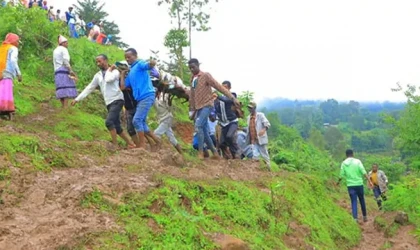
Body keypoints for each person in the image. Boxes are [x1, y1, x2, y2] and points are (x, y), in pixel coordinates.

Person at [71, 55, 135, 149]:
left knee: (109, 122)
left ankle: (115, 145)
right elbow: (90, 87)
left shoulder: (115, 71)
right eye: (97, 62)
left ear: (105, 60)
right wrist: (77, 99)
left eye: (100, 61)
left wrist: (110, 69)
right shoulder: (98, 75)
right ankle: (131, 144)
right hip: (108, 102)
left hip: (117, 99)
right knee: (117, 126)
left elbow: (108, 80)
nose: (98, 64)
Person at [188, 58, 239, 159]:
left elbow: (218, 86)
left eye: (193, 67)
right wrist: (192, 110)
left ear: (198, 65)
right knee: (204, 130)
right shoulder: (192, 79)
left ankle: (201, 152)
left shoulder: (205, 75)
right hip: (198, 108)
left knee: (198, 125)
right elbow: (192, 96)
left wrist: (232, 97)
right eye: (190, 68)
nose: (192, 69)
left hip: (207, 105)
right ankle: (215, 153)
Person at [120, 48, 160, 150]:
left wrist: (151, 64)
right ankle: (158, 141)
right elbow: (123, 87)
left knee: (136, 120)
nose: (127, 59)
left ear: (135, 56)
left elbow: (147, 66)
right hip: (140, 99)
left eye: (129, 57)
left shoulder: (139, 64)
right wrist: (122, 75)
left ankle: (142, 146)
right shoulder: (131, 71)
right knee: (141, 122)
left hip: (147, 95)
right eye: (126, 58)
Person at [337, 149, 374, 222]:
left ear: (346, 155)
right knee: (362, 199)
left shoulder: (344, 163)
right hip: (359, 184)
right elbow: (363, 172)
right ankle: (365, 217)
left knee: (354, 201)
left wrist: (338, 182)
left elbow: (341, 175)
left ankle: (355, 218)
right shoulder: (358, 161)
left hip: (350, 185)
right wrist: (369, 181)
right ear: (353, 154)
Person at [214, 81, 240, 159]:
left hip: (232, 122)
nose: (223, 88)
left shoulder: (232, 95)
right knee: (221, 142)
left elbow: (227, 100)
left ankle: (237, 152)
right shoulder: (219, 98)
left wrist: (217, 96)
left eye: (225, 87)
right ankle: (229, 156)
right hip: (223, 123)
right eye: (222, 87)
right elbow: (217, 109)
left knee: (229, 136)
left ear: (229, 88)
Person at [0, 33, 22, 121]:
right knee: (7, 92)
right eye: (17, 41)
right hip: (8, 72)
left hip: (1, 73)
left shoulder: (2, 48)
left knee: (1, 90)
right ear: (13, 41)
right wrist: (18, 73)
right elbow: (13, 60)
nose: (18, 43)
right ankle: (6, 109)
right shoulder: (13, 48)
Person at [53, 35, 78, 108]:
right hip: (63, 70)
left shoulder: (55, 50)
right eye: (66, 43)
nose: (67, 44)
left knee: (60, 88)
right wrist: (70, 70)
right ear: (63, 43)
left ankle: (63, 106)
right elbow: (65, 61)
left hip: (57, 71)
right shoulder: (64, 49)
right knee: (66, 88)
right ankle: (65, 107)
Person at [246, 102, 271, 169]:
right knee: (255, 155)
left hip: (260, 139)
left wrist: (264, 129)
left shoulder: (260, 115)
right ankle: (256, 170)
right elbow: (248, 128)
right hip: (253, 140)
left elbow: (267, 124)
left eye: (251, 108)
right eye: (249, 108)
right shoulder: (248, 118)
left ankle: (268, 167)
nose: (250, 109)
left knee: (264, 154)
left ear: (254, 108)